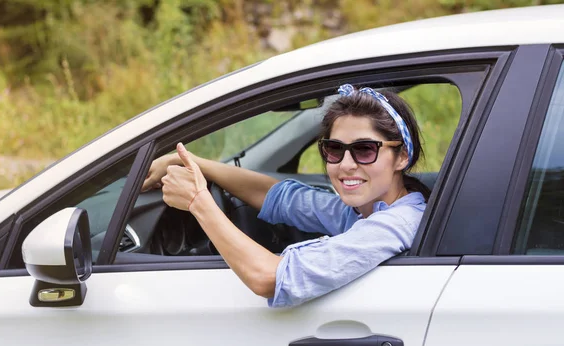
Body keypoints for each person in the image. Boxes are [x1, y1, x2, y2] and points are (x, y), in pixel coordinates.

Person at [142, 84, 429, 308]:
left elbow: (269, 278)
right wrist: (191, 161)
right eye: (334, 149)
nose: (346, 164)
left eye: (365, 149)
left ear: (402, 156)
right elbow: (279, 197)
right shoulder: (367, 208)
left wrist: (198, 201)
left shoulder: (393, 226)